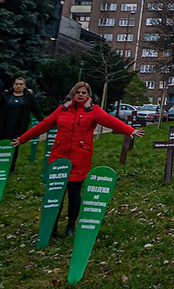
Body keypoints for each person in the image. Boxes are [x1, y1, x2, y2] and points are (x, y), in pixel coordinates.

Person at [13, 82, 143, 237]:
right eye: (78, 92)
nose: (80, 95)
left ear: (88, 95)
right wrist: (22, 139)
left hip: (80, 158)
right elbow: (44, 125)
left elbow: (110, 121)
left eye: (84, 92)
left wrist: (130, 130)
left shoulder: (93, 110)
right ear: (72, 94)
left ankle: (70, 227)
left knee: (74, 193)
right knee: (56, 194)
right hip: (59, 157)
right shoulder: (62, 110)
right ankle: (52, 227)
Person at [0, 76, 43, 172]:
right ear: (13, 85)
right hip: (3, 127)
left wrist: (45, 125)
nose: (18, 86)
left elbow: (37, 112)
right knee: (1, 146)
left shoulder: (29, 98)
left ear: (24, 86)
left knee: (14, 146)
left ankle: (10, 168)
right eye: (16, 84)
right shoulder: (5, 96)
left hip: (18, 127)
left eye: (21, 84)